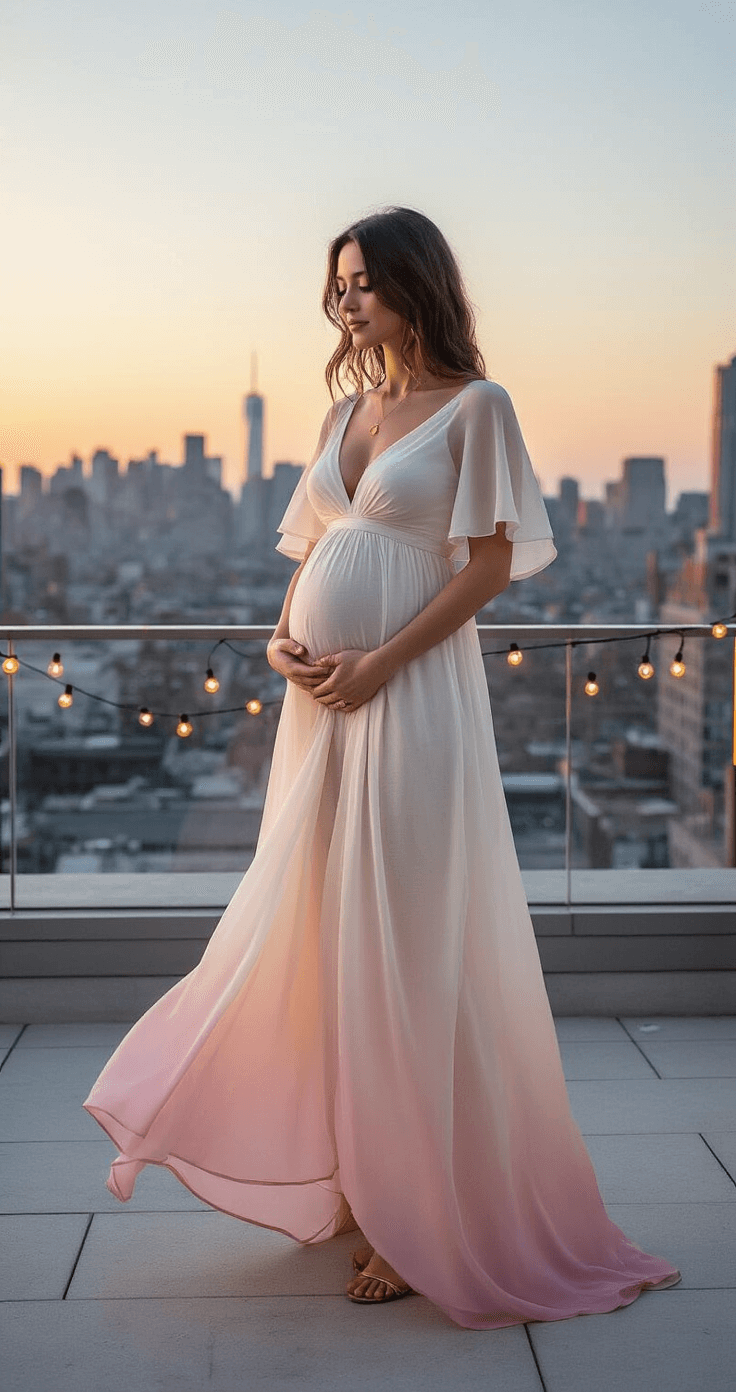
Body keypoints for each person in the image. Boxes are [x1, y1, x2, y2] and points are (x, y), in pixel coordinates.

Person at [84, 206, 681, 1329]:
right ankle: (358, 1183)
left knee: (404, 939)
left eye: (364, 281)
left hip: (407, 700)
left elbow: (491, 566)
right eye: (339, 282)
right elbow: (314, 549)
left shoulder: (475, 407)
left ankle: (419, 1213)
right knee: (321, 929)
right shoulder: (343, 410)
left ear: (415, 282)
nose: (347, 299)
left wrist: (381, 665)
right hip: (321, 707)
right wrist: (278, 639)